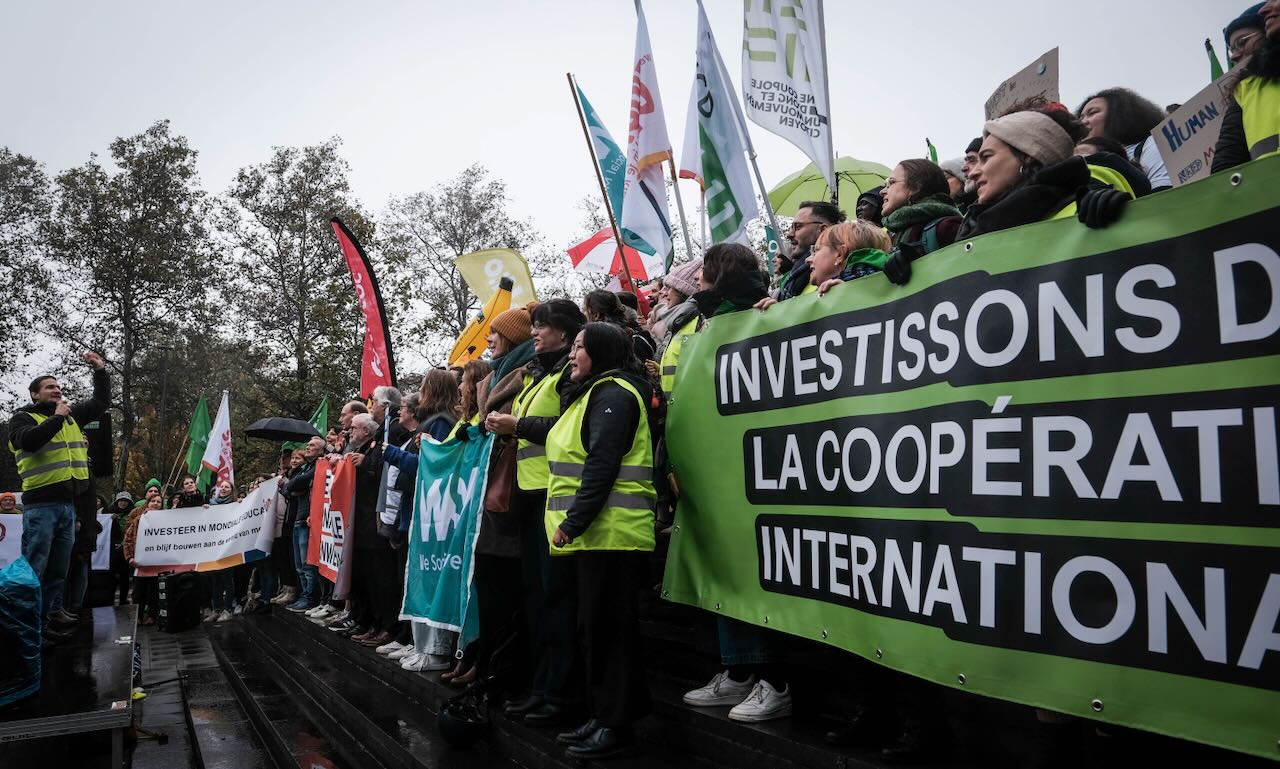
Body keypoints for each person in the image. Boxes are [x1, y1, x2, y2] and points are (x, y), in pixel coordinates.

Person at [512, 322, 656, 758]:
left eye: (578, 346)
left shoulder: (613, 393)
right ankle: (601, 716)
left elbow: (602, 463)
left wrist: (573, 522)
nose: (572, 354)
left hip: (612, 536)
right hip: (594, 539)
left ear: (600, 351)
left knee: (610, 634)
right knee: (593, 630)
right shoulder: (592, 393)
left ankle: (616, 724)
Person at [485, 298, 587, 725]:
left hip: (557, 497)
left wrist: (517, 427)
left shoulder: (568, 374)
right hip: (530, 498)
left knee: (556, 600)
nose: (534, 333)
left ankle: (560, 694)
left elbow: (567, 426)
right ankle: (542, 687)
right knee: (536, 599)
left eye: (541, 327)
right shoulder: (538, 374)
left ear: (564, 333)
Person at [6, 350, 109, 645]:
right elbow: (28, 441)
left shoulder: (71, 417)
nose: (58, 390)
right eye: (50, 387)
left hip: (68, 507)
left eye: (59, 386)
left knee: (58, 569)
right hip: (41, 507)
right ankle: (28, 627)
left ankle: (50, 617)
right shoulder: (22, 418)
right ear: (35, 394)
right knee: (36, 566)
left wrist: (100, 370)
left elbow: (101, 402)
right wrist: (57, 418)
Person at [383, 374, 460, 671]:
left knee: (429, 580)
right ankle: (421, 645)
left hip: (434, 513)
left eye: (424, 388)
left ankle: (435, 649)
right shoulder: (435, 421)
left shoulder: (440, 422)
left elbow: (434, 467)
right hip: (423, 511)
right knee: (418, 580)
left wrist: (391, 454)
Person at [959, 108, 1127, 242]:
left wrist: (1123, 216)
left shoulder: (1083, 214)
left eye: (986, 157)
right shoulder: (971, 225)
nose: (973, 173)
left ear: (1028, 156)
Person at [1214, 0, 1280, 171]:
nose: (1234, 56)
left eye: (1241, 43)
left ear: (1267, 33)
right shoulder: (1245, 91)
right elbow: (1225, 169)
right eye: (1231, 49)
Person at [345, 413, 394, 647]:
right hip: (361, 524)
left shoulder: (375, 449)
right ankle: (369, 621)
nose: (350, 432)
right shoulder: (361, 449)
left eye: (353, 428)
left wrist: (365, 465)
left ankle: (385, 624)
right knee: (366, 577)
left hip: (374, 523)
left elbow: (381, 474)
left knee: (380, 578)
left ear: (366, 431)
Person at [876, 159, 962, 285]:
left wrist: (919, 260)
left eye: (891, 183)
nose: (882, 191)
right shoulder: (894, 235)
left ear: (916, 187)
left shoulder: (948, 228)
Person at [1076, 88, 1172, 191]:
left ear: (1119, 114)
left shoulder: (1152, 145)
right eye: (1080, 118)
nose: (1083, 122)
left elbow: (1163, 194)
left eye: (1092, 113)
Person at [285, 438, 325, 614]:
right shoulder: (304, 467)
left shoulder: (318, 465)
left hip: (307, 518)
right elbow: (288, 487)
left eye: (312, 446)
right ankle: (303, 595)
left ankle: (310, 598)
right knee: (299, 564)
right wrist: (294, 487)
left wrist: (294, 486)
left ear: (320, 450)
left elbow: (295, 483)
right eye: (307, 445)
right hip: (298, 518)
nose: (308, 448)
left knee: (308, 565)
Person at [776, 201, 846, 301]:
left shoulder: (845, 274)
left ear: (822, 229)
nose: (789, 234)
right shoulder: (794, 279)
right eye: (791, 227)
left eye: (798, 226)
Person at [205, 479, 237, 622]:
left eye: (227, 487)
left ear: (232, 490)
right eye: (221, 487)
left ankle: (228, 609)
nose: (223, 489)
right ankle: (216, 609)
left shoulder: (236, 505)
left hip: (228, 547)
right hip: (214, 548)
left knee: (227, 579)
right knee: (215, 579)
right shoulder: (212, 504)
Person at [649, 259, 701, 349]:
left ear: (682, 291)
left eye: (669, 288)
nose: (665, 293)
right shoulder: (676, 318)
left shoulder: (686, 320)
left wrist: (650, 334)